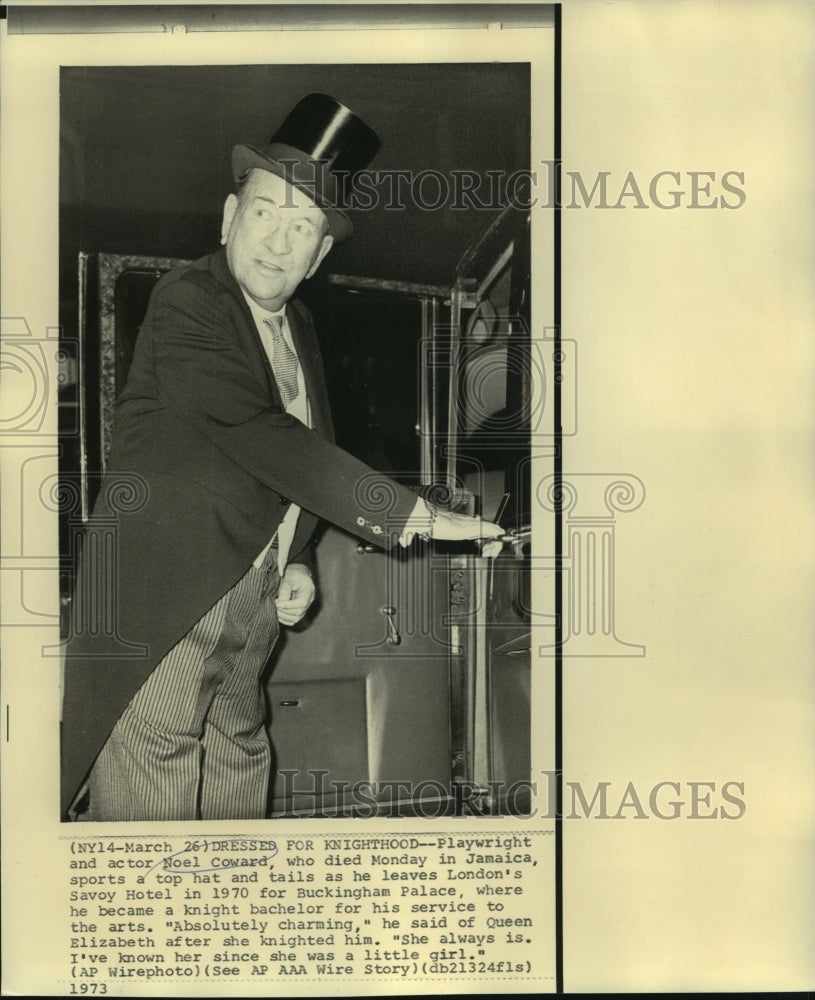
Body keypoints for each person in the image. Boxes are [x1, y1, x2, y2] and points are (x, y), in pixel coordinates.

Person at [61, 94, 502, 822]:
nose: (278, 241)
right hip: (169, 589)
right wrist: (421, 516)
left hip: (257, 592)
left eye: (303, 228)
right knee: (160, 760)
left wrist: (295, 559)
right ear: (230, 218)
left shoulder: (296, 326)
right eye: (265, 213)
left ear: (321, 255)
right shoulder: (191, 300)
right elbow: (259, 432)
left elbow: (294, 462)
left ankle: (234, 914)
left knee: (239, 746)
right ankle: (157, 928)